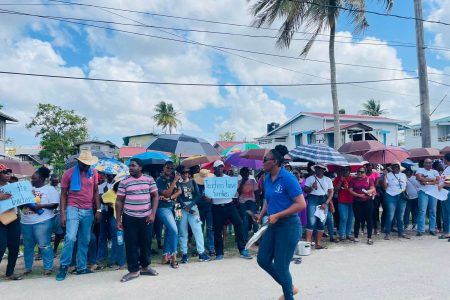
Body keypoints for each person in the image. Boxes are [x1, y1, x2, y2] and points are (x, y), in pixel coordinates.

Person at [256, 145, 306, 300]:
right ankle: (289, 287)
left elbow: (301, 204)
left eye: (265, 159)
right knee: (263, 260)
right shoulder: (266, 178)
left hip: (289, 225)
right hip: (273, 224)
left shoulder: (288, 178)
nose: (262, 162)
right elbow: (268, 198)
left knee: (281, 265)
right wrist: (262, 213)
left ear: (275, 162)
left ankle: (288, 295)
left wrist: (278, 215)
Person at [56, 150, 101, 281]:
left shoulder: (94, 173)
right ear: (79, 162)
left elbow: (96, 192)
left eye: (89, 164)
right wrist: (62, 214)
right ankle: (63, 267)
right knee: (70, 237)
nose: (87, 166)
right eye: (85, 164)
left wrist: (98, 210)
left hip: (88, 210)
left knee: (85, 239)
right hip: (72, 208)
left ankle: (81, 267)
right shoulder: (68, 173)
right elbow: (63, 194)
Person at [115, 158, 159, 282]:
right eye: (130, 166)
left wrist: (153, 213)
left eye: (133, 166)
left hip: (146, 217)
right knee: (131, 244)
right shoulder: (124, 182)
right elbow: (119, 201)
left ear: (140, 167)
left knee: (146, 242)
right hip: (129, 218)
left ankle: (145, 266)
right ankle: (134, 271)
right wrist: (118, 220)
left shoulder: (149, 180)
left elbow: (155, 196)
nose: (130, 168)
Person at [21, 167, 59, 276]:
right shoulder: (27, 189)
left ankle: (48, 267)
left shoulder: (50, 189)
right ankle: (28, 267)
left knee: (44, 245)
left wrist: (41, 206)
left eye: (34, 178)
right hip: (26, 221)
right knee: (28, 246)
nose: (32, 180)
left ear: (41, 178)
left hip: (43, 221)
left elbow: (55, 204)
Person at [210, 160, 252, 260]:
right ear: (214, 169)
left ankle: (242, 249)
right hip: (217, 207)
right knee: (217, 230)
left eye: (222, 167)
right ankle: (219, 253)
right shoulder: (210, 180)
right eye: (219, 167)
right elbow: (208, 196)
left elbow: (235, 193)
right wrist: (208, 198)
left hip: (229, 205)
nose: (221, 168)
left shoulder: (228, 179)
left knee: (239, 223)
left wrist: (235, 193)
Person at [177, 167, 211, 263]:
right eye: (183, 173)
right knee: (182, 232)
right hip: (179, 208)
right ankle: (184, 254)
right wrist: (185, 207)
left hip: (193, 207)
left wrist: (190, 206)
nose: (184, 174)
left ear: (189, 173)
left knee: (198, 230)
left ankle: (201, 252)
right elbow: (177, 197)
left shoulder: (193, 182)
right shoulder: (177, 183)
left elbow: (198, 195)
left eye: (186, 172)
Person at [96, 173, 125, 269]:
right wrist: (108, 204)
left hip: (125, 219)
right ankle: (113, 261)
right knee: (117, 239)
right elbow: (101, 199)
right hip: (115, 219)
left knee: (120, 241)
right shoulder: (111, 192)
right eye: (119, 183)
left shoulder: (127, 193)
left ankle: (119, 261)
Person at [156, 161, 181, 268]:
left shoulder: (173, 178)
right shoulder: (159, 180)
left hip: (176, 207)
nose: (169, 170)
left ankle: (165, 256)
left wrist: (170, 198)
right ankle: (173, 257)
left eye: (171, 168)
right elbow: (166, 193)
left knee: (169, 231)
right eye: (168, 168)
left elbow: (179, 191)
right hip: (163, 208)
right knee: (174, 230)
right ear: (164, 168)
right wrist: (174, 181)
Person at [303, 164, 334, 249]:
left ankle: (318, 243)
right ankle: (308, 243)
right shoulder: (310, 178)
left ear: (323, 170)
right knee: (311, 222)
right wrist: (312, 187)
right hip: (313, 198)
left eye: (320, 169)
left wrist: (326, 203)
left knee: (321, 222)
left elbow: (331, 192)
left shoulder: (328, 180)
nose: (318, 170)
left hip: (323, 199)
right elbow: (305, 190)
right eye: (316, 168)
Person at [0, 164, 22, 280]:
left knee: (14, 246)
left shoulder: (13, 187)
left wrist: (28, 195)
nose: (8, 174)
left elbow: (22, 200)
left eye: (9, 172)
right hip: (0, 220)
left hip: (13, 218)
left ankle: (10, 272)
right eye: (5, 172)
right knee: (1, 247)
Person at [382, 162, 409, 240]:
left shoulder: (403, 175)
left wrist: (405, 193)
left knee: (400, 216)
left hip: (401, 196)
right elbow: (384, 187)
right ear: (391, 167)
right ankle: (387, 233)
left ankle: (401, 232)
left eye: (397, 166)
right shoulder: (388, 175)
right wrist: (384, 176)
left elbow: (405, 185)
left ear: (399, 167)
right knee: (390, 215)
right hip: (391, 196)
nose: (396, 168)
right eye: (394, 166)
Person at [349, 166, 376, 245]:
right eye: (358, 172)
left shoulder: (369, 179)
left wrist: (367, 191)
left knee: (369, 219)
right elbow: (350, 190)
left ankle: (369, 237)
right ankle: (356, 236)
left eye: (362, 172)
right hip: (357, 201)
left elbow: (372, 188)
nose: (360, 173)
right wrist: (359, 195)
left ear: (365, 172)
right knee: (357, 219)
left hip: (367, 201)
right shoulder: (353, 180)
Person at [416, 158, 440, 236]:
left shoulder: (435, 171)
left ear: (431, 164)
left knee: (433, 211)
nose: (428, 164)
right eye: (426, 163)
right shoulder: (419, 170)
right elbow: (419, 178)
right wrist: (432, 180)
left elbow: (438, 181)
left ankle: (432, 229)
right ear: (424, 164)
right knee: (422, 211)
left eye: (430, 163)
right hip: (423, 192)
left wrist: (426, 181)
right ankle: (420, 230)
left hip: (433, 193)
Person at [194, 169, 215, 256]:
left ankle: (211, 247)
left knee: (210, 228)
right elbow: (195, 196)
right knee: (200, 228)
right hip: (200, 208)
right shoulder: (196, 185)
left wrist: (211, 199)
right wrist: (201, 197)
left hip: (209, 207)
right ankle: (201, 248)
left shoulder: (211, 184)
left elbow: (216, 194)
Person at [237, 167, 259, 242]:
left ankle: (257, 238)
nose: (245, 174)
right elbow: (238, 193)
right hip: (242, 202)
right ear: (241, 174)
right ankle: (245, 239)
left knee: (254, 220)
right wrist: (243, 182)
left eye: (247, 173)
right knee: (245, 220)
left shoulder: (253, 181)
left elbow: (256, 192)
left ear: (248, 173)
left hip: (252, 201)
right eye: (243, 173)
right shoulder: (239, 181)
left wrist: (258, 203)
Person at [333, 167, 354, 241]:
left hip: (352, 201)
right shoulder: (338, 178)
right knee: (343, 218)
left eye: (347, 170)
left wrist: (347, 188)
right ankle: (342, 234)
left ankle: (348, 234)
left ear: (350, 172)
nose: (345, 171)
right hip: (342, 201)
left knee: (350, 218)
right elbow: (335, 190)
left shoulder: (353, 179)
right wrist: (340, 181)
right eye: (343, 170)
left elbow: (355, 188)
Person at [439, 153, 450, 240]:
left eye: (444, 159)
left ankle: (448, 232)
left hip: (447, 191)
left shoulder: (449, 168)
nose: (443, 160)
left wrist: (441, 186)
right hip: (445, 191)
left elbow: (448, 181)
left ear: (446, 159)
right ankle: (447, 231)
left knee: (448, 212)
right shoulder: (447, 168)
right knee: (446, 212)